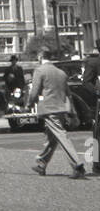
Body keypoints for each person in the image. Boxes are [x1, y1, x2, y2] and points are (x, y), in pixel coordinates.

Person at [27, 49, 87, 179]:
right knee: (51, 138)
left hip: (49, 109)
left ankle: (77, 164)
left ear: (40, 57)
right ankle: (41, 163)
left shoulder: (40, 71)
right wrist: (72, 112)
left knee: (60, 135)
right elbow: (68, 94)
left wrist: (29, 104)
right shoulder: (61, 73)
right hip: (61, 108)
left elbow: (34, 92)